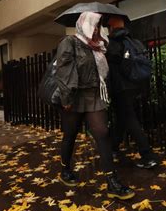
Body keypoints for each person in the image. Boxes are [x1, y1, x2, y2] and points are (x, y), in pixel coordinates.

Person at [55, 11, 135, 200]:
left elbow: (105, 69)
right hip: (74, 95)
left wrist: (106, 42)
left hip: (93, 95)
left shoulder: (98, 46)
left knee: (102, 133)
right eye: (95, 24)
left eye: (99, 25)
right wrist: (66, 98)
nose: (98, 29)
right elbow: (64, 70)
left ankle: (112, 181)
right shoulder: (70, 42)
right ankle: (65, 169)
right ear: (84, 24)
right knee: (70, 134)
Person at [105, 16, 158, 169]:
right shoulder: (134, 42)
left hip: (121, 88)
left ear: (111, 27)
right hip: (136, 85)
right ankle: (113, 148)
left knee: (128, 118)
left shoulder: (113, 44)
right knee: (122, 118)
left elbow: (108, 63)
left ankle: (147, 156)